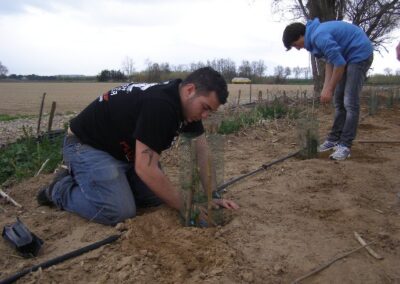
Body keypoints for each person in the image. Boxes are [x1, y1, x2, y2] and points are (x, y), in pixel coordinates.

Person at [37, 67, 239, 225]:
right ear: (190, 90)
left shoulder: (186, 106)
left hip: (123, 151)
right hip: (87, 145)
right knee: (119, 211)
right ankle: (59, 189)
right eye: (205, 108)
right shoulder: (161, 105)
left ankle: (114, 183)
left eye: (210, 112)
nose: (205, 116)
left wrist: (212, 195)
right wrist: (188, 209)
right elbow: (146, 168)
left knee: (155, 197)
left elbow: (201, 150)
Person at [283, 18, 373, 160]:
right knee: (338, 100)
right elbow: (331, 63)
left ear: (301, 36)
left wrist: (329, 89)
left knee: (349, 101)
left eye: (295, 45)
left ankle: (345, 145)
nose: (298, 48)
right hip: (345, 58)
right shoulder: (315, 38)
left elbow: (340, 64)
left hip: (359, 53)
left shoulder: (319, 36)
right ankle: (334, 139)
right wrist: (326, 89)